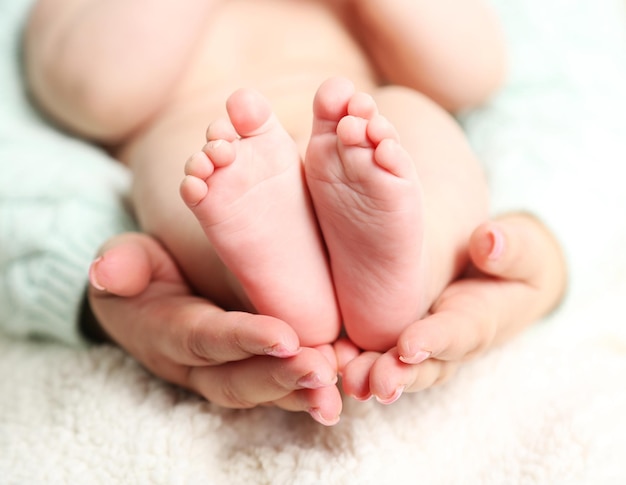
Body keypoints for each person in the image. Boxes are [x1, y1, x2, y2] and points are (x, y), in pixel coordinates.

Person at [20, 0, 567, 424]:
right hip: (210, 135)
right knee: (198, 178)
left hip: (362, 125)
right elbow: (90, 92)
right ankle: (284, 287)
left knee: (422, 125)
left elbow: (470, 74)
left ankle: (404, 277)